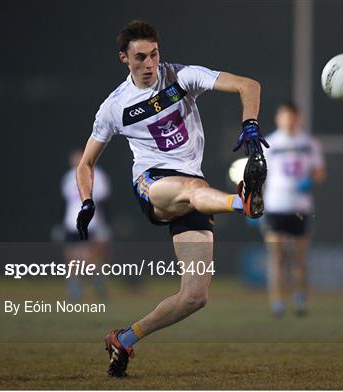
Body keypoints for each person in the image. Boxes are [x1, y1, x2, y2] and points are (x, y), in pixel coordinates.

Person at [75, 20, 268, 377]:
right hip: (153, 185)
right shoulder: (114, 107)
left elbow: (247, 85)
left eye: (154, 54)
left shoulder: (181, 77)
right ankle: (241, 203)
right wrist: (87, 201)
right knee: (192, 192)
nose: (150, 64)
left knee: (195, 296)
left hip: (194, 189)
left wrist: (250, 125)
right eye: (140, 57)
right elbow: (86, 163)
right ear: (124, 58)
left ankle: (125, 339)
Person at [262, 103, 326, 317]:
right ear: (278, 119)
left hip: (300, 207)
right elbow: (260, 175)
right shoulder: (269, 143)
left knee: (299, 257)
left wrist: (309, 180)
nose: (289, 121)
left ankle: (300, 299)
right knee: (277, 256)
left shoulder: (309, 143)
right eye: (285, 117)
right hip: (275, 206)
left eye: (292, 117)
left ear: (299, 119)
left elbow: (319, 173)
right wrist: (256, 204)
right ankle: (277, 302)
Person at [61, 149, 111, 301]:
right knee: (72, 257)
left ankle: (98, 285)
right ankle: (75, 290)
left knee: (89, 257)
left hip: (90, 223)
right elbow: (66, 203)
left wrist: (103, 224)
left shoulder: (97, 175)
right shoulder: (69, 177)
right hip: (71, 223)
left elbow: (102, 202)